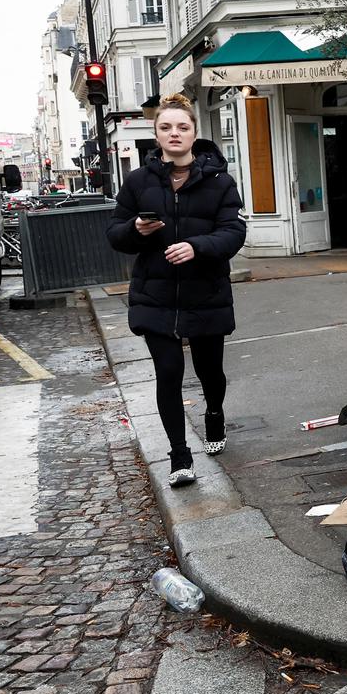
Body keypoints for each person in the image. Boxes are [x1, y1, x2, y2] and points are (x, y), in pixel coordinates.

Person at [108, 97, 247, 487]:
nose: (174, 133)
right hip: (155, 295)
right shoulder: (138, 181)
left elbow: (234, 232)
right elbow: (114, 234)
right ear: (156, 134)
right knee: (168, 372)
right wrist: (136, 229)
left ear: (193, 132)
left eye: (181, 127)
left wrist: (197, 247)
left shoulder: (220, 180)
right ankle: (179, 457)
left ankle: (215, 414)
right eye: (166, 128)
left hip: (206, 292)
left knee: (209, 372)